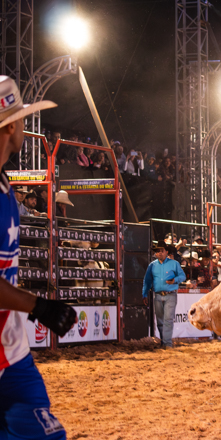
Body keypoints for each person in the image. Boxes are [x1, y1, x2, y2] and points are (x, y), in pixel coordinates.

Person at [0, 75, 77, 439]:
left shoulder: (4, 186)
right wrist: (40, 307)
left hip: (10, 350)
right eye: (24, 119)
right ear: (11, 126)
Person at [141, 240, 186, 348]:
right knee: (161, 321)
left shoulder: (174, 264)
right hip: (158, 295)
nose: (159, 253)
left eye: (161, 251)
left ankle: (167, 343)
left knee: (167, 320)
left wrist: (174, 280)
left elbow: (183, 276)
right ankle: (164, 342)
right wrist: (144, 294)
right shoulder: (152, 265)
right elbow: (147, 281)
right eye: (157, 251)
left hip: (170, 294)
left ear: (166, 252)